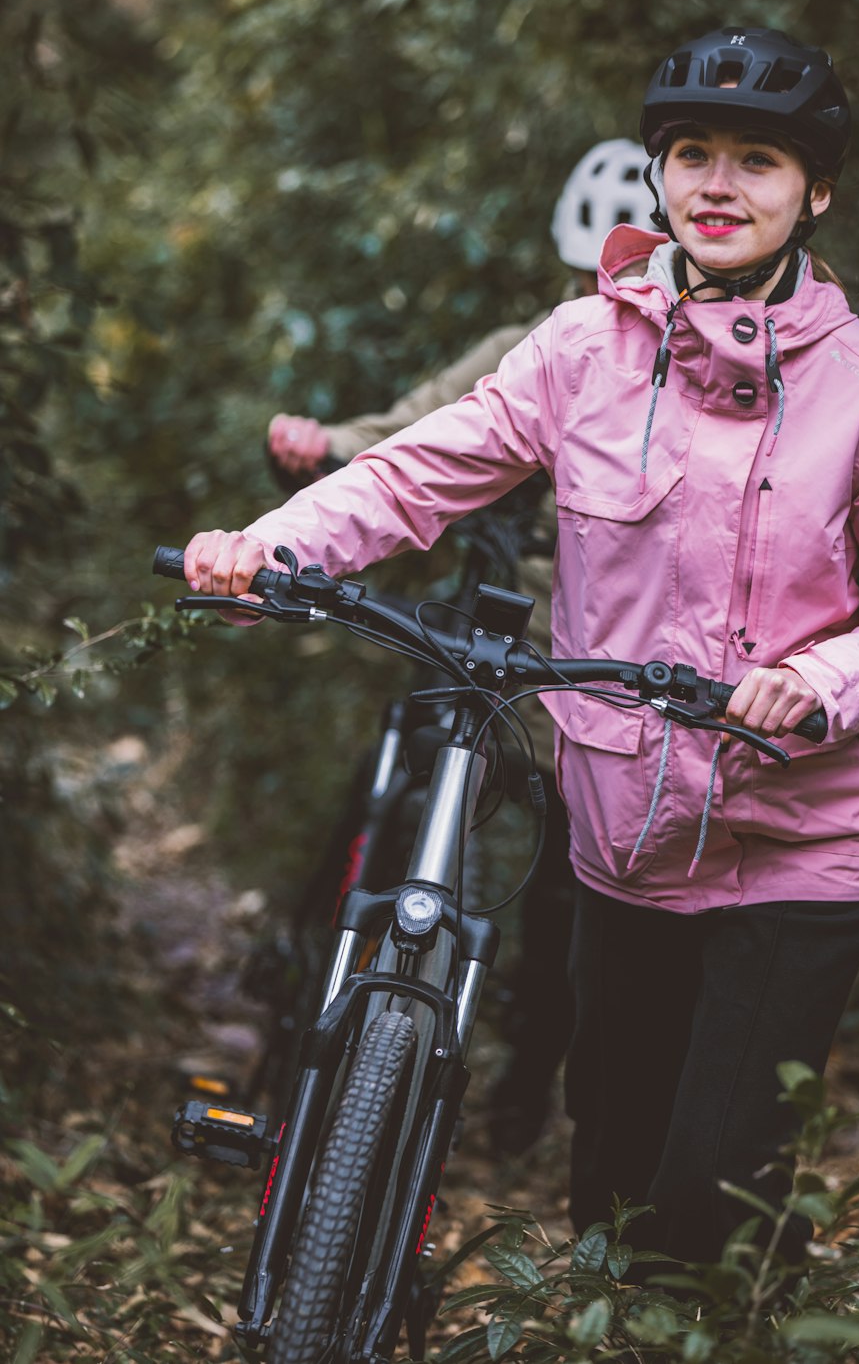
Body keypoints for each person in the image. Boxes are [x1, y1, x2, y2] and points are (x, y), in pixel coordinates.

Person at [184, 27, 859, 1267]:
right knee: (605, 1171)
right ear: (659, 172)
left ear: (815, 192)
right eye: (692, 153)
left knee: (708, 1191)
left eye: (756, 160)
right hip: (625, 832)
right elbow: (415, 472)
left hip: (804, 839)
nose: (717, 183)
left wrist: (811, 684)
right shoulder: (579, 349)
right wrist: (274, 545)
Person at [266, 139, 653, 1157]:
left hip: (592, 657)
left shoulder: (691, 364)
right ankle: (329, 968)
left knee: (571, 883)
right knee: (410, 766)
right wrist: (334, 441)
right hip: (496, 624)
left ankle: (527, 1073)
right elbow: (425, 427)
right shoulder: (534, 340)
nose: (600, 291)